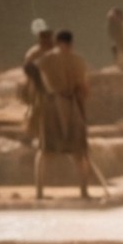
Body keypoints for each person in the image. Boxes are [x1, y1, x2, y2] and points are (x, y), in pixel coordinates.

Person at [34, 29, 92, 200]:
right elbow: (83, 89)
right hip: (71, 105)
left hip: (51, 106)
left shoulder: (45, 59)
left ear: (57, 42)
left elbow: (31, 71)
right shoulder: (78, 60)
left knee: (45, 151)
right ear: (71, 44)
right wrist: (82, 112)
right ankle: (84, 191)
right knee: (79, 152)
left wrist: (42, 93)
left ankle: (39, 192)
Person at [20, 20, 54, 144]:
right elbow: (28, 69)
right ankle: (30, 136)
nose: (47, 41)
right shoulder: (34, 53)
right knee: (37, 111)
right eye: (44, 38)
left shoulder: (55, 51)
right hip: (38, 88)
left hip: (53, 87)